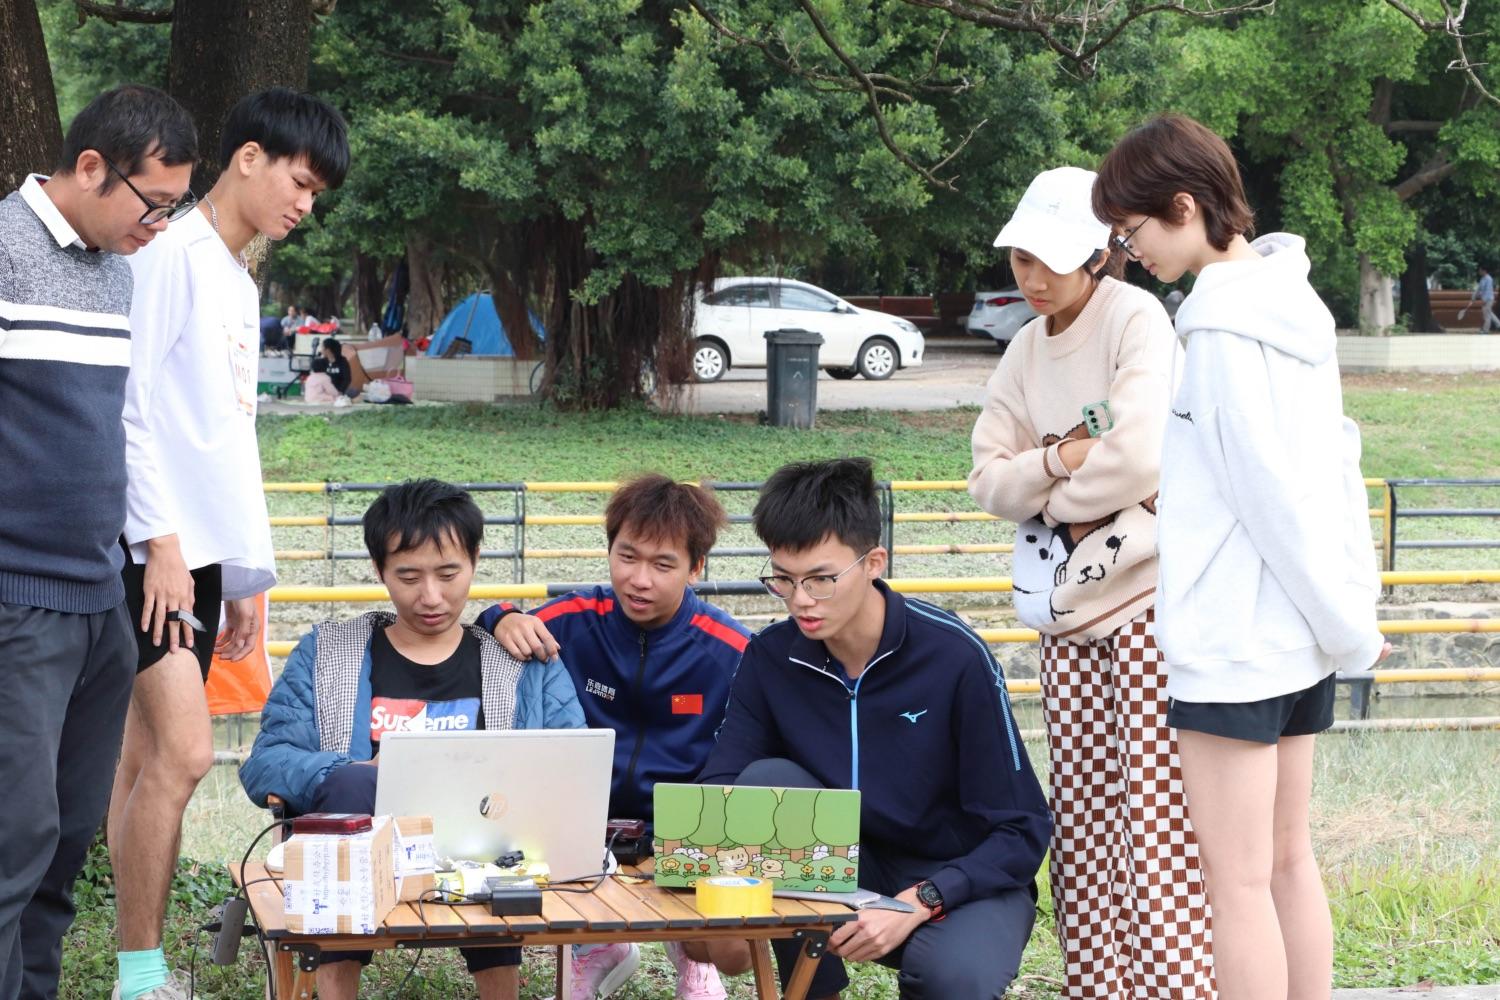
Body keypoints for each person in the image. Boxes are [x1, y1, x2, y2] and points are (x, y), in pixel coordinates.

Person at [1092, 113, 1390, 1000]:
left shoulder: (1218, 329)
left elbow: (1268, 499)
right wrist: (1345, 616)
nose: (1130, 252)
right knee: (1289, 862)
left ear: (1184, 206)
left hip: (1235, 640)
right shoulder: (1293, 303)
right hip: (1297, 634)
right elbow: (1334, 472)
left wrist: (1348, 625)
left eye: (1132, 230)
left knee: (1238, 884)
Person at [107, 86, 350, 1000]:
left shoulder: (238, 280)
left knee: (143, 760)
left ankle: (135, 967)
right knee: (184, 754)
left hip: (201, 556)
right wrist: (162, 544)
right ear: (248, 157)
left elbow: (225, 438)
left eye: (318, 193)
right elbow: (127, 410)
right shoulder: (170, 257)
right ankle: (140, 974)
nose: (306, 204)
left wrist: (247, 574)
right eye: (301, 181)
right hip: (153, 553)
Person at [968, 166, 1214, 998]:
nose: (1033, 278)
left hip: (1147, 603)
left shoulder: (1136, 319)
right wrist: (1064, 462)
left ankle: (1174, 987)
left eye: (1052, 259)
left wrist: (1048, 489)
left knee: (1158, 815)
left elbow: (1141, 454)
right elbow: (987, 479)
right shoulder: (1025, 348)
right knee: (1081, 817)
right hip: (1066, 614)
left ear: (1099, 253)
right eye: (1021, 259)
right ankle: (1097, 986)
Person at [697, 458, 1051, 1000]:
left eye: (821, 579)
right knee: (767, 783)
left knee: (957, 976)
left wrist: (923, 899)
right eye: (784, 580)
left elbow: (1022, 828)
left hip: (961, 880)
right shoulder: (772, 657)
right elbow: (722, 786)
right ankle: (815, 991)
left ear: (873, 562)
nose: (800, 600)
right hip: (840, 870)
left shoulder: (954, 657)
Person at [0, 84, 197, 1000]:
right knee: (13, 837)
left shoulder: (117, 273)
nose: (159, 228)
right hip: (16, 598)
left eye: (173, 210)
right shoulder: (4, 251)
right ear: (90, 168)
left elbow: (120, 424)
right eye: (153, 205)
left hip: (97, 597)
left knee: (65, 843)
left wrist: (150, 548)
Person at [240, 479, 584, 1000]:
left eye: (448, 574)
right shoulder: (329, 654)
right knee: (351, 787)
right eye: (408, 576)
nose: (431, 597)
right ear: (379, 570)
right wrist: (353, 774)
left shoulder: (520, 663)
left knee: (496, 827)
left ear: (475, 561)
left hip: (485, 854)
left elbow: (571, 762)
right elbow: (267, 762)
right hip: (361, 854)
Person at [475, 474, 752, 1000]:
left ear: (696, 567)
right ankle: (597, 947)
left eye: (663, 565)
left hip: (678, 832)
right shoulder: (575, 621)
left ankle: (692, 953)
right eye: (627, 557)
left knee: (730, 945)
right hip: (578, 821)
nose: (639, 580)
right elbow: (488, 627)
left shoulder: (730, 648)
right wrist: (502, 617)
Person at [1465, 265, 1496, 332]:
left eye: (1480, 270)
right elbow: (1479, 289)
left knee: (1487, 315)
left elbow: (1488, 290)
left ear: (1484, 271)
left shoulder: (1489, 279)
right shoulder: (1482, 279)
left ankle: (1485, 330)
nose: (1479, 272)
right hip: (1484, 299)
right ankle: (1498, 324)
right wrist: (1473, 297)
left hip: (1488, 299)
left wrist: (1484, 300)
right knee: (1487, 313)